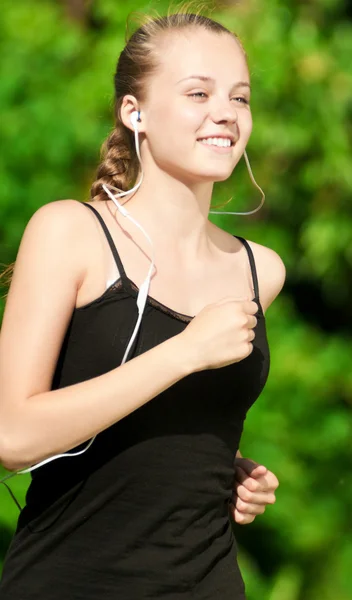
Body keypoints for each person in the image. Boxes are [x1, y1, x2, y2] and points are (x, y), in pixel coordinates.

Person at [0, 7, 285, 598]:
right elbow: (12, 436)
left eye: (240, 97)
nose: (225, 114)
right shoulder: (70, 233)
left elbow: (169, 427)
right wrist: (183, 353)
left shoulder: (259, 271)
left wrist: (228, 468)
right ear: (135, 112)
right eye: (198, 93)